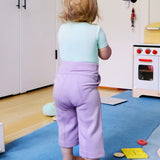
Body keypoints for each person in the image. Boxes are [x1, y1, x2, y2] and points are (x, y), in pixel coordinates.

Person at [53, 0, 112, 160]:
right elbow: (105, 55)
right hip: (84, 89)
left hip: (61, 86)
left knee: (65, 124)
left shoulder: (62, 29)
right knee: (90, 125)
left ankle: (68, 157)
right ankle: (91, 157)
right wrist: (106, 47)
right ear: (93, 11)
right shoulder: (96, 30)